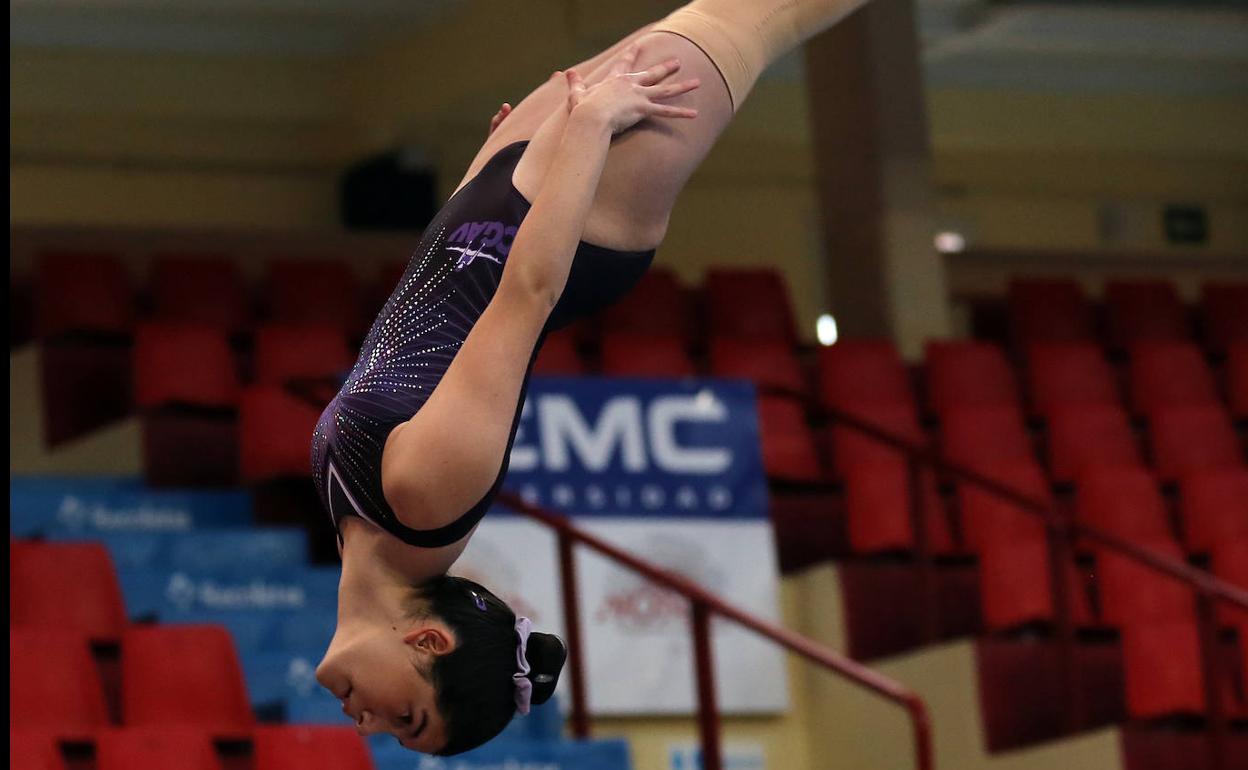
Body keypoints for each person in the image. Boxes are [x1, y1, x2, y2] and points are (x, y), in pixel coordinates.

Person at [313, 0, 872, 755]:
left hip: (504, 198)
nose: (369, 725)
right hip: (579, 210)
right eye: (405, 717)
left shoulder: (359, 532)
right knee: (763, 16)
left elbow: (419, 319)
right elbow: (525, 295)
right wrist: (590, 130)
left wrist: (483, 175)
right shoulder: (424, 502)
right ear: (429, 645)